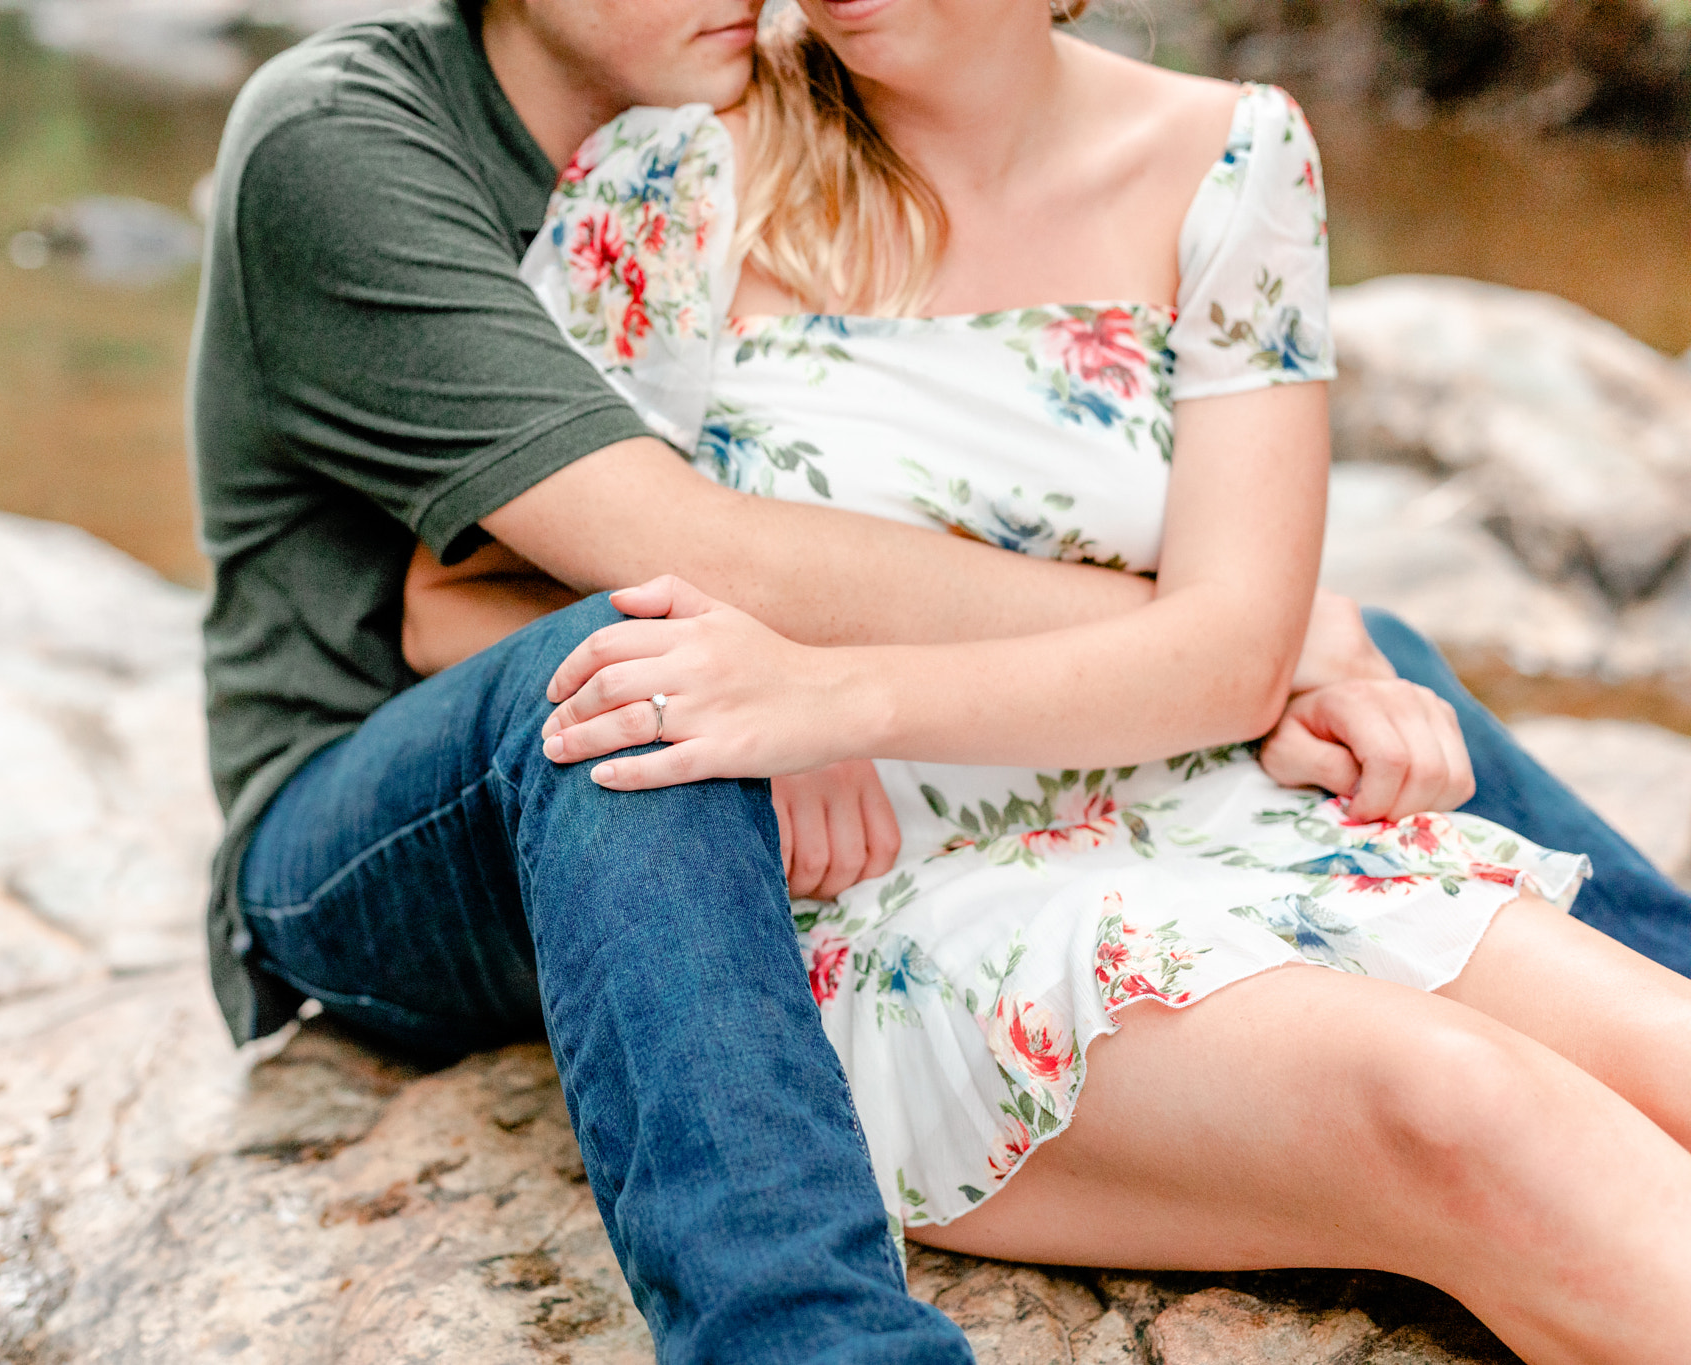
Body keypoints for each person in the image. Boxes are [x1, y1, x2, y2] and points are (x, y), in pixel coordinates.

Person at [185, 0, 1691, 1358]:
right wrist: (842, 686)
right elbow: (550, 583)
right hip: (678, 847)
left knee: (1609, 977)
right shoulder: (591, 157)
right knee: (1461, 1103)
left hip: (1168, 799)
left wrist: (1252, 640)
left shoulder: (1228, 157)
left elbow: (1237, 637)